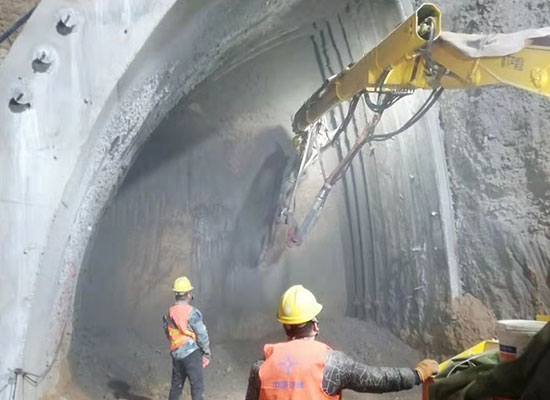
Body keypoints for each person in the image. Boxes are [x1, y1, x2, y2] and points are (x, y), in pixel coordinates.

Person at [245, 284, 439, 399]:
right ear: (315, 325)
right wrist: (416, 375)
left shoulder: (261, 368)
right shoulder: (332, 363)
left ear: (284, 325)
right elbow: (378, 379)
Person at [163, 276, 211, 400]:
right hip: (191, 354)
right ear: (188, 294)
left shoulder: (168, 313)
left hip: (176, 353)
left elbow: (168, 332)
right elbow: (202, 334)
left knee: (176, 386)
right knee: (197, 386)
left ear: (176, 294)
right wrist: (206, 352)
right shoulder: (192, 313)